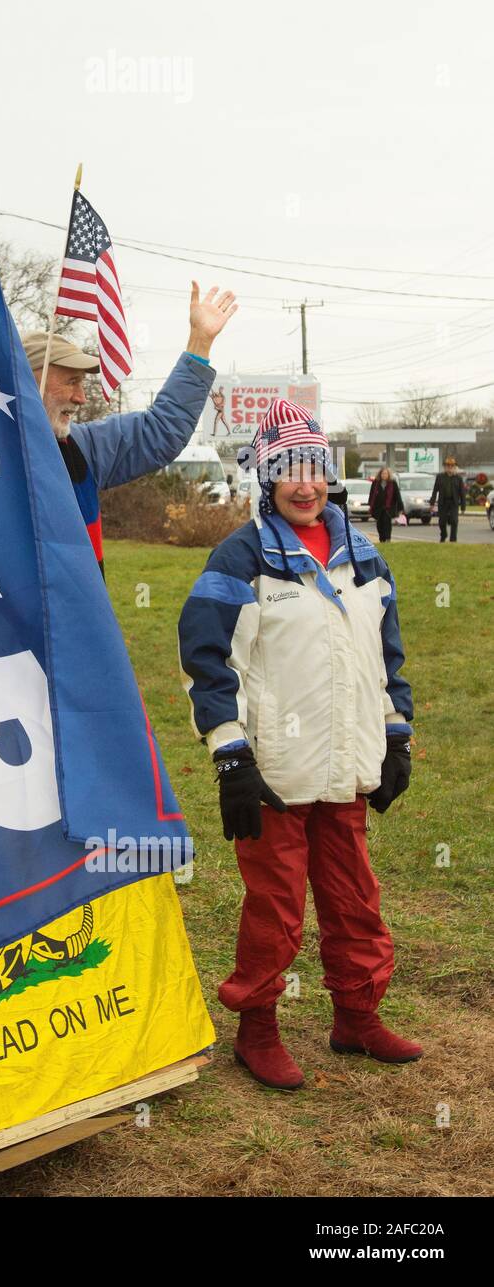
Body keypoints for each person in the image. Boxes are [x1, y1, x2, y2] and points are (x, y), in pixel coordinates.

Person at [177, 398, 421, 1091]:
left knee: (355, 900)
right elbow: (207, 658)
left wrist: (394, 736)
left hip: (345, 768)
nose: (305, 483)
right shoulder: (241, 554)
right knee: (276, 910)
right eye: (288, 469)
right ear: (265, 476)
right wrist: (231, 756)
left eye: (315, 466)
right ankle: (257, 1029)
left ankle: (356, 1015)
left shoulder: (365, 554)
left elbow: (385, 658)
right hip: (275, 773)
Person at [20, 281, 237, 575]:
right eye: (72, 382)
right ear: (28, 381)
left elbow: (161, 430)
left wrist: (200, 342)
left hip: (79, 619)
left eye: (83, 384)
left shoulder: (83, 447)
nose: (81, 398)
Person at [429, 456, 466, 542]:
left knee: (454, 521)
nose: (449, 467)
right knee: (442, 521)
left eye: (451, 466)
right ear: (445, 467)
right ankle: (443, 534)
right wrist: (432, 503)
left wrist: (463, 507)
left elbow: (462, 493)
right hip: (443, 502)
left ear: (454, 467)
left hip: (454, 503)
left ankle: (453, 539)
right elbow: (435, 491)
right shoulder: (440, 477)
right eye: (447, 465)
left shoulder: (458, 478)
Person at [368, 466, 403, 542]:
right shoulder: (376, 483)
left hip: (388, 508)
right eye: (383, 473)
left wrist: (400, 507)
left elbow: (397, 495)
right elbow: (371, 494)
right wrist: (370, 505)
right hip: (378, 508)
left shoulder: (393, 483)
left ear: (388, 474)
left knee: (387, 523)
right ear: (380, 474)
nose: (384, 475)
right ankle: (382, 538)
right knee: (379, 524)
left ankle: (387, 538)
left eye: (386, 473)